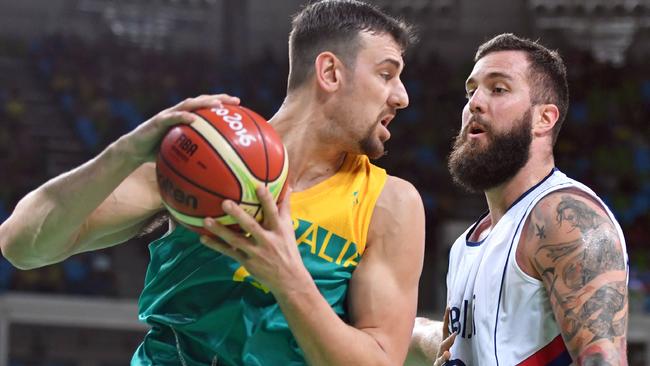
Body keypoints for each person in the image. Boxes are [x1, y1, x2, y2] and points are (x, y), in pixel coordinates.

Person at [0, 1, 451, 364]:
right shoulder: (204, 159)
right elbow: (23, 245)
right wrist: (125, 153)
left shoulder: (389, 203)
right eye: (387, 74)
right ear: (330, 72)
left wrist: (286, 277)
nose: (402, 96)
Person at [416, 33, 629, 365]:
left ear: (544, 118)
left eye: (498, 89)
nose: (474, 102)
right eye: (471, 91)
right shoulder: (464, 246)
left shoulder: (566, 217)